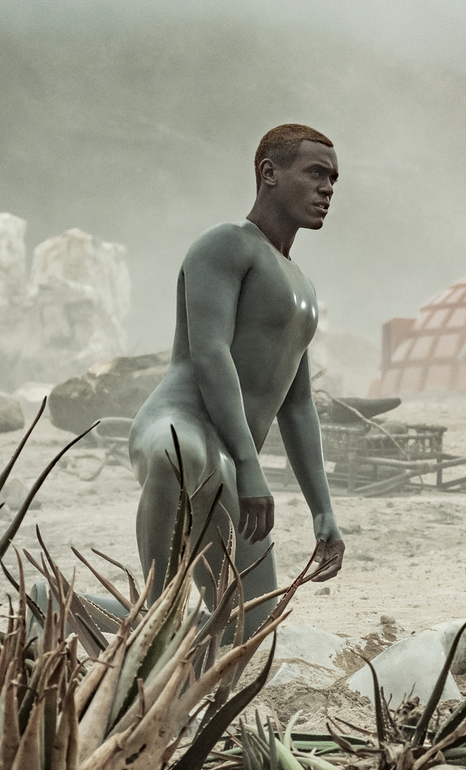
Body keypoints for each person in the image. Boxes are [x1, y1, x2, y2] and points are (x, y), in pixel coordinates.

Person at [128, 123, 344, 632]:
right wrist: (251, 466)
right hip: (179, 423)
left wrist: (323, 511)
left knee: (250, 626)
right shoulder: (226, 244)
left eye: (334, 179)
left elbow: (297, 405)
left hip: (228, 456)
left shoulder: (304, 287)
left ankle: (58, 607)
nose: (327, 189)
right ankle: (153, 612)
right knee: (181, 454)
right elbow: (210, 351)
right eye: (316, 173)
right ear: (269, 173)